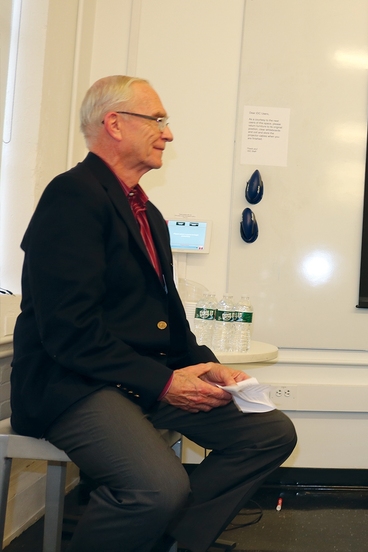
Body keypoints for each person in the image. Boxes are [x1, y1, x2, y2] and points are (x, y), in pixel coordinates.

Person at [10, 75, 297, 552]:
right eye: (158, 120)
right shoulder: (72, 196)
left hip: (133, 379)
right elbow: (68, 331)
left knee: (268, 433)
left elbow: (170, 318)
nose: (169, 133)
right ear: (115, 124)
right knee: (156, 488)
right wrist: (165, 383)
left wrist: (207, 365)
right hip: (72, 383)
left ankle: (169, 542)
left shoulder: (150, 215)